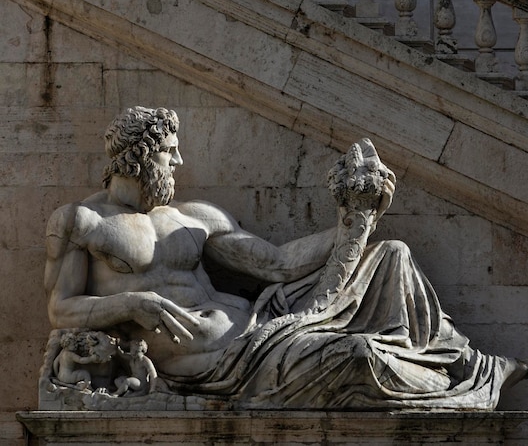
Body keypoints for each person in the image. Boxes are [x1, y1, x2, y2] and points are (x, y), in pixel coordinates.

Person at [44, 106, 527, 409]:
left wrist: (350, 218)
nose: (178, 163)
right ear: (139, 156)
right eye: (170, 152)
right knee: (356, 355)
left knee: (391, 256)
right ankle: (451, 384)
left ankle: (469, 364)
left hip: (265, 323)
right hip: (219, 363)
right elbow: (60, 308)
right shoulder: (82, 222)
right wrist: (131, 305)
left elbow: (278, 264)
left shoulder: (192, 217)